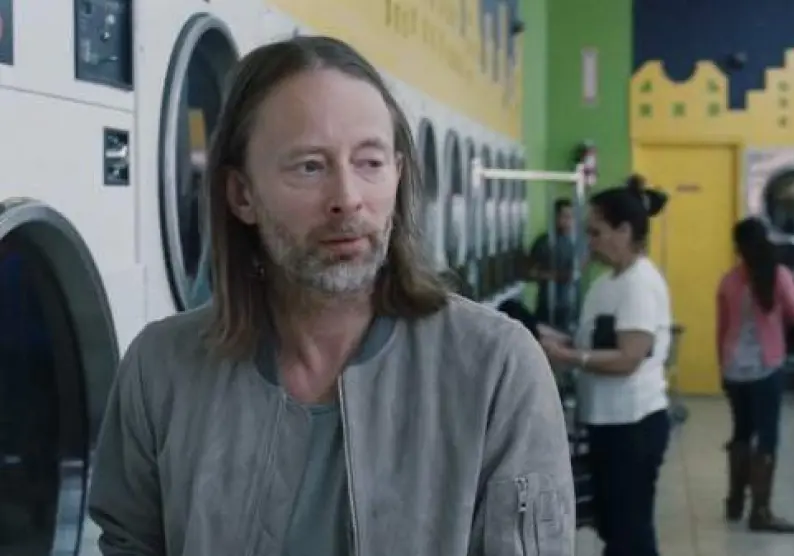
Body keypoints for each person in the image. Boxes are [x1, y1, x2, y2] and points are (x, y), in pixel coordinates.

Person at [87, 36, 574, 555]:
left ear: (399, 175)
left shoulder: (497, 368)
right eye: (310, 166)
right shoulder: (161, 369)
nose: (347, 198)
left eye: (370, 162)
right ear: (242, 195)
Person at [541, 177, 670, 556]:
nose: (590, 241)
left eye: (596, 232)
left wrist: (569, 357)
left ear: (624, 231)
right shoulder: (606, 283)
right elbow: (597, 344)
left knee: (629, 533)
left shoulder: (639, 284)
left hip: (632, 424)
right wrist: (557, 340)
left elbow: (628, 358)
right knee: (614, 525)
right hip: (607, 420)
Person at [716, 218, 794, 534]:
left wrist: (722, 367)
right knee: (766, 436)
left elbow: (721, 330)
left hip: (734, 369)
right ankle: (761, 511)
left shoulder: (728, 281)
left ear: (737, 247)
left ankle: (734, 502)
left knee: (741, 432)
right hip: (766, 368)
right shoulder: (778, 275)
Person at [528, 198, 576, 328]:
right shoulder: (543, 242)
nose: (568, 221)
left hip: (568, 305)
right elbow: (528, 272)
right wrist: (553, 276)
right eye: (565, 216)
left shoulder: (575, 243)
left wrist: (547, 275)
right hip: (545, 304)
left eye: (571, 217)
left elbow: (572, 275)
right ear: (556, 217)